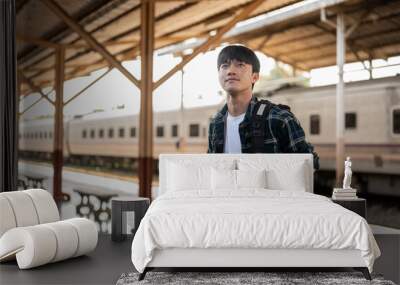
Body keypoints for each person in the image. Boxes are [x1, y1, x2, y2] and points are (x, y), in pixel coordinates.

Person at [207, 44, 319, 170]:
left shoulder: (279, 118)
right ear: (218, 74)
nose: (230, 71)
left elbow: (310, 163)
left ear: (255, 76)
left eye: (240, 65)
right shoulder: (215, 124)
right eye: (225, 66)